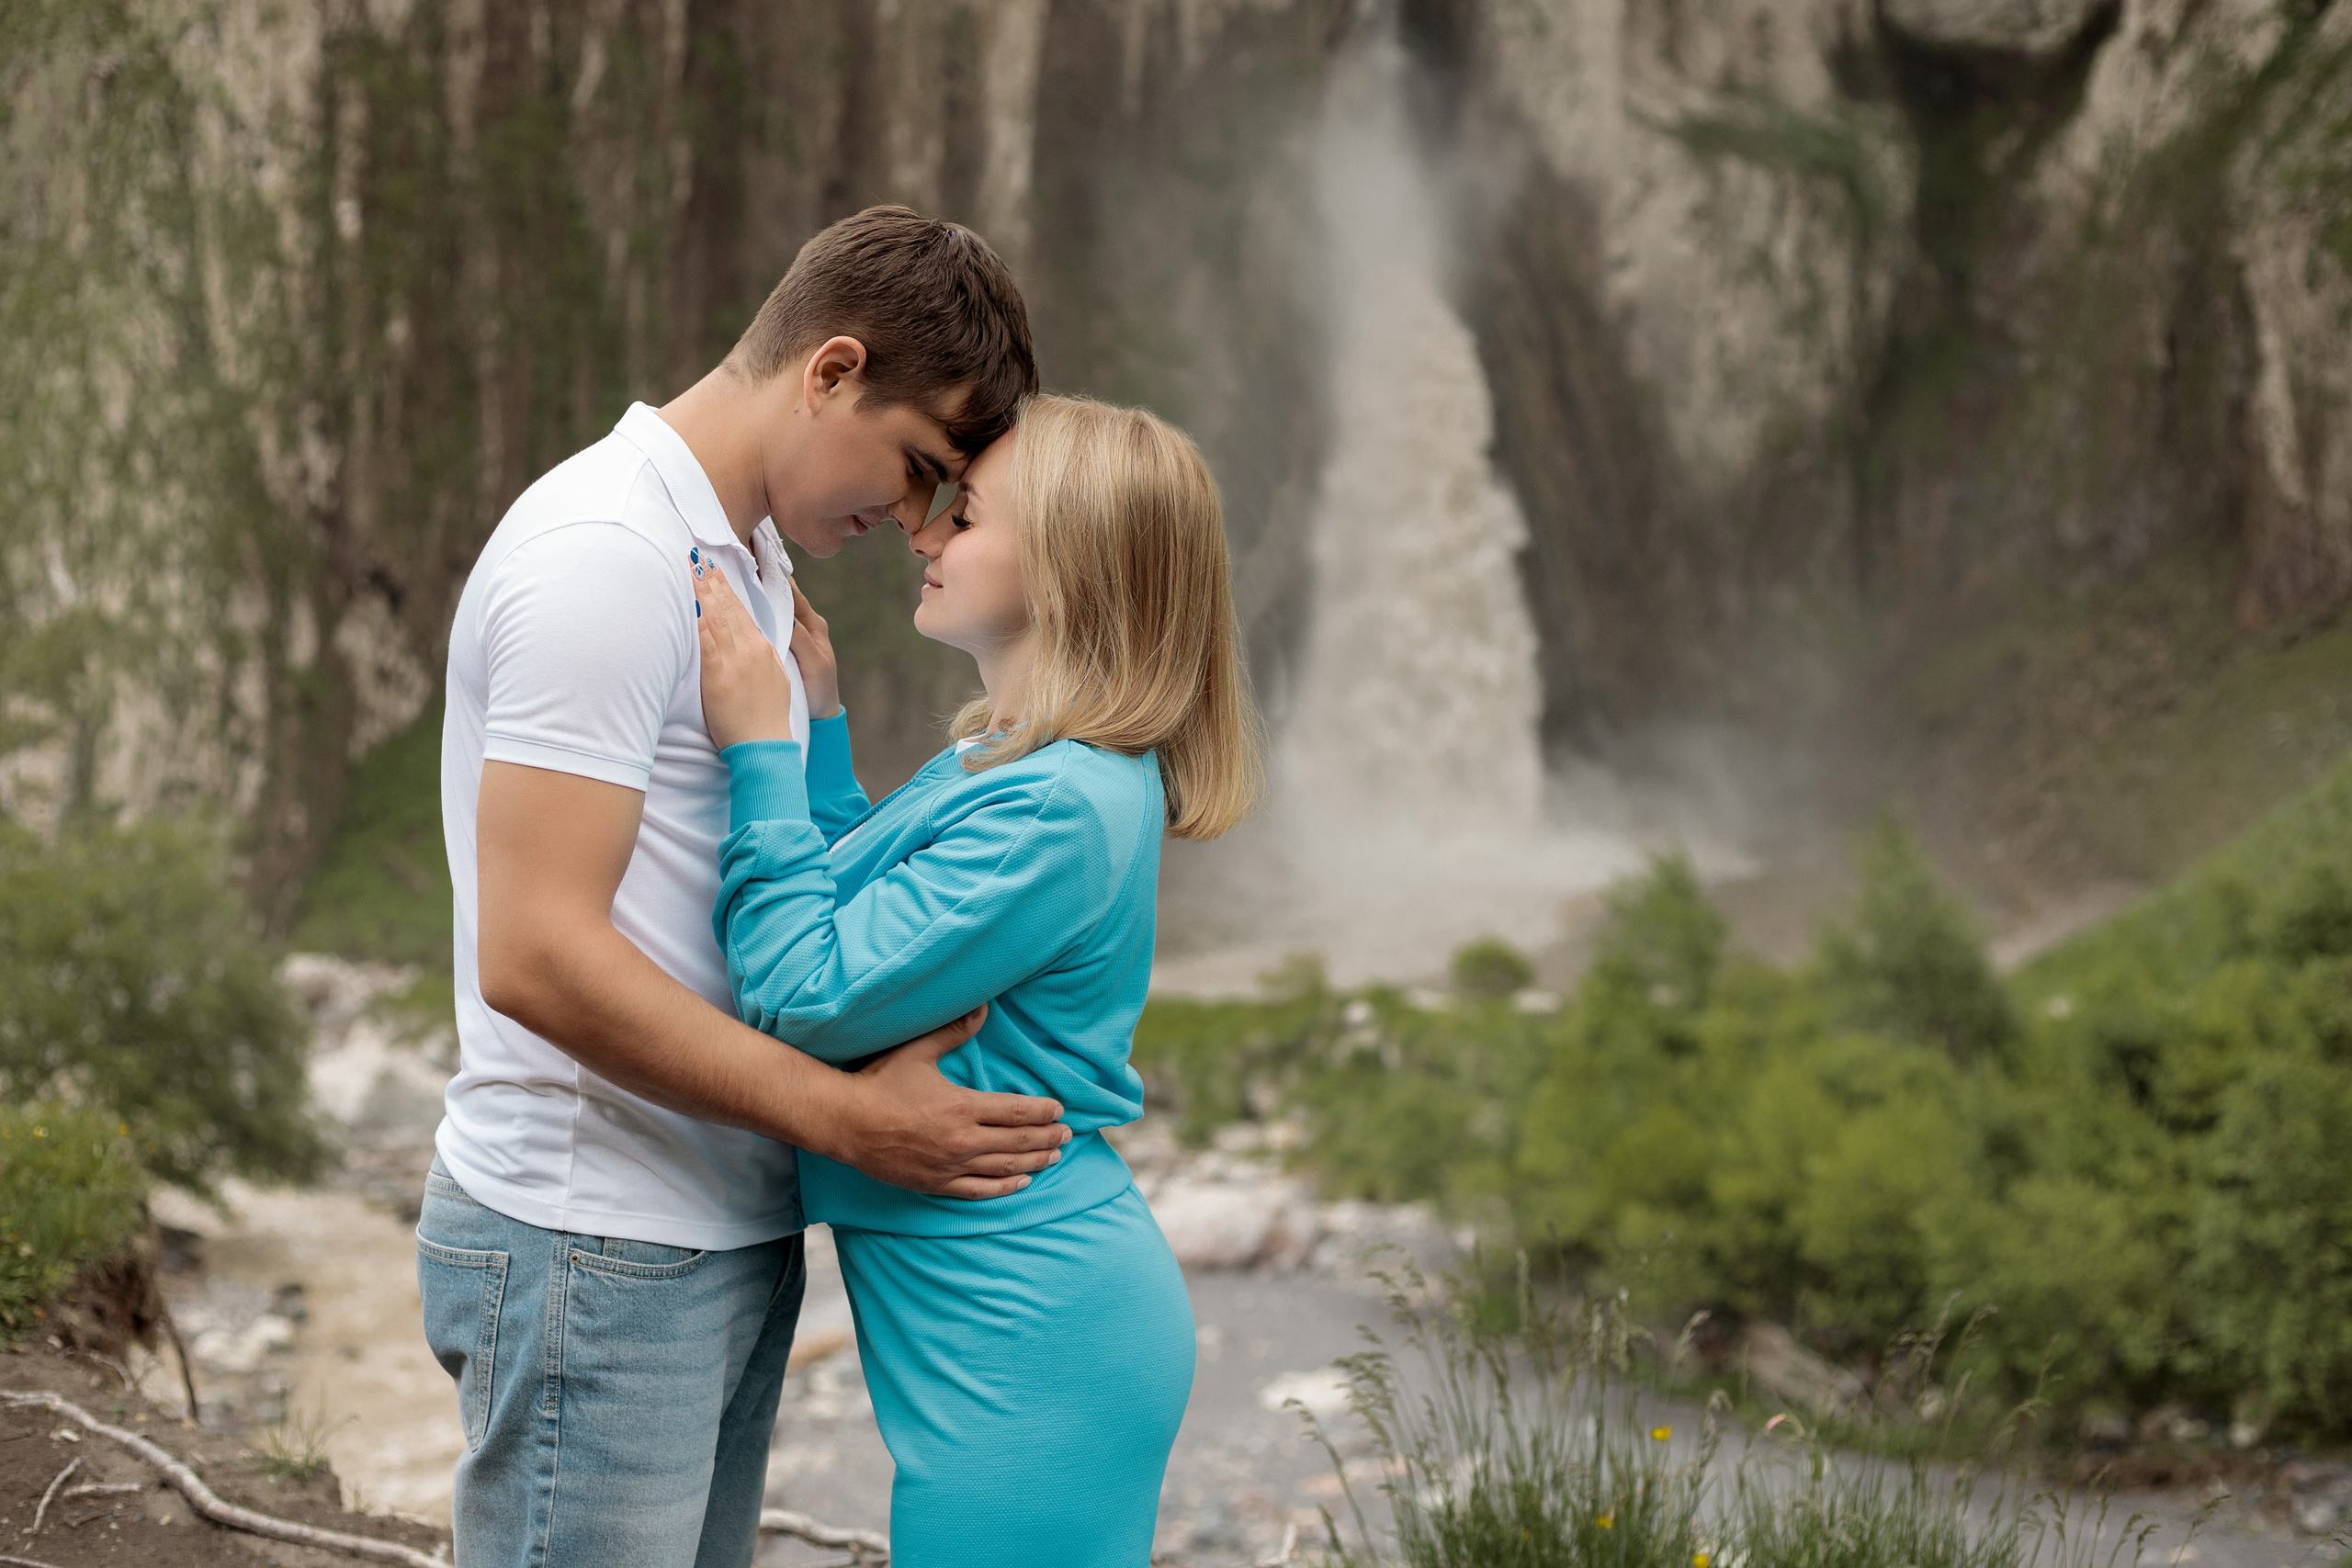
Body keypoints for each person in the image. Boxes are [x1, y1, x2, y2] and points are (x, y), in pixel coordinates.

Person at [418, 207, 1073, 1568]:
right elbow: (534, 956)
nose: (911, 520)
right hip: (593, 1235)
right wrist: (851, 1119)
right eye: (915, 466)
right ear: (831, 370)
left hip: (708, 1223)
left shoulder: (748, 557)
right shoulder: (606, 553)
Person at [690, 391, 1262, 1566]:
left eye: (969, 514)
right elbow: (872, 914)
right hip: (1029, 1315)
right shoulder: (1013, 763)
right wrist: (823, 728)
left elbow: (803, 993)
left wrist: (756, 752)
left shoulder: (1061, 804)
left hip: (1032, 1340)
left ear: (1069, 568)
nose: (925, 532)